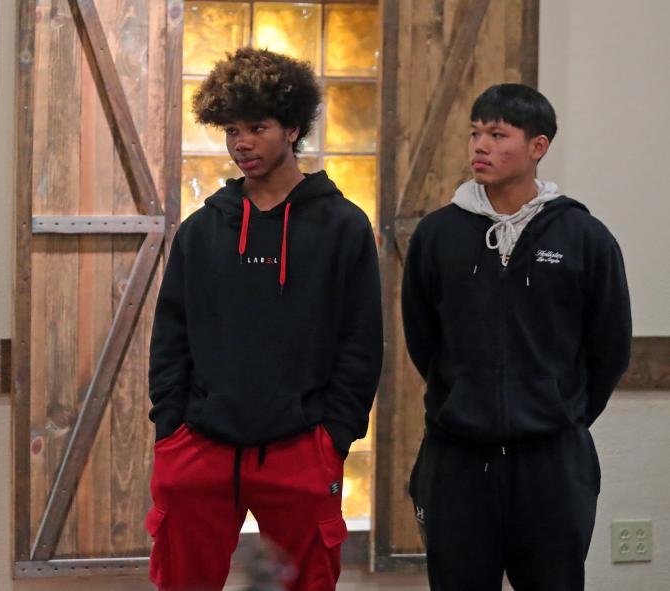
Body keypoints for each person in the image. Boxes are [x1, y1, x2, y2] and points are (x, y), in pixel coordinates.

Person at [146, 48, 382, 591]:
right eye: (231, 130)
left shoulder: (343, 227)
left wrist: (333, 439)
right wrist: (170, 432)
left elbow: (361, 344)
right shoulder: (204, 230)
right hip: (199, 449)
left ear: (293, 127)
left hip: (300, 450)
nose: (241, 144)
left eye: (257, 127)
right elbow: (171, 336)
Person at [401, 83, 632, 590]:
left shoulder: (583, 237)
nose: (479, 145)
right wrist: (465, 397)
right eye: (475, 132)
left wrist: (558, 410)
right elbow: (423, 338)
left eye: (498, 134)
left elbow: (610, 345)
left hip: (551, 463)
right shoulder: (438, 235)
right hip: (457, 457)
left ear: (537, 147)